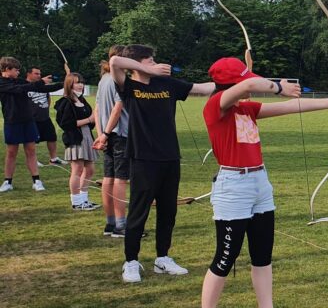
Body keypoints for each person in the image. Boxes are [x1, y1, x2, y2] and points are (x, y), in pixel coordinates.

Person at [193, 57, 328, 308]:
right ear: (232, 84)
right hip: (233, 186)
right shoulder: (216, 105)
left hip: (258, 184)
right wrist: (279, 86)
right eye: (243, 81)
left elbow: (290, 107)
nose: (250, 86)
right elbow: (255, 84)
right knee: (225, 257)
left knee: (262, 254)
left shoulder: (247, 108)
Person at [109, 45, 216, 283]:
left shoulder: (168, 84)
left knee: (168, 211)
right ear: (137, 63)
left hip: (169, 157)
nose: (156, 63)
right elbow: (115, 61)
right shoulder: (130, 86)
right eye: (150, 60)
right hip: (143, 159)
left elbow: (205, 88)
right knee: (139, 211)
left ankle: (162, 258)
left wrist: (239, 79)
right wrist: (149, 69)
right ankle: (131, 261)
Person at [0, 56, 64, 193]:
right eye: (16, 70)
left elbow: (42, 89)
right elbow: (19, 89)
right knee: (11, 153)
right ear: (6, 69)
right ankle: (7, 181)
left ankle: (36, 181)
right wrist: (40, 82)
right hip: (12, 122)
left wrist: (64, 84)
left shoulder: (20, 81)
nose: (18, 72)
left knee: (31, 150)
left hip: (28, 121)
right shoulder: (2, 83)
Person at [92, 50, 131, 236]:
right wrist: (105, 134)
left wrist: (101, 135)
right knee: (120, 180)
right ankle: (121, 226)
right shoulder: (117, 79)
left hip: (107, 135)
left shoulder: (103, 79)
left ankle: (110, 224)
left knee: (108, 178)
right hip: (119, 134)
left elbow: (97, 109)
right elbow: (117, 107)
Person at [53, 72, 100, 210]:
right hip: (75, 138)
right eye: (77, 82)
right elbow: (66, 124)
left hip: (87, 136)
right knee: (77, 169)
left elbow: (91, 119)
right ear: (70, 84)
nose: (80, 85)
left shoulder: (83, 101)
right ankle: (76, 202)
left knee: (90, 169)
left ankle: (84, 198)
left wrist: (93, 119)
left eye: (81, 82)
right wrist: (88, 120)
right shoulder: (65, 102)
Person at [25, 65, 63, 165]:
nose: (39, 76)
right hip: (31, 119)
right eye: (36, 73)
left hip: (45, 117)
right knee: (32, 140)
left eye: (40, 74)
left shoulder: (42, 86)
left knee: (52, 137)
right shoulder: (24, 86)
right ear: (28, 74)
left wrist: (45, 108)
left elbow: (48, 97)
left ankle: (54, 159)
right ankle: (33, 160)